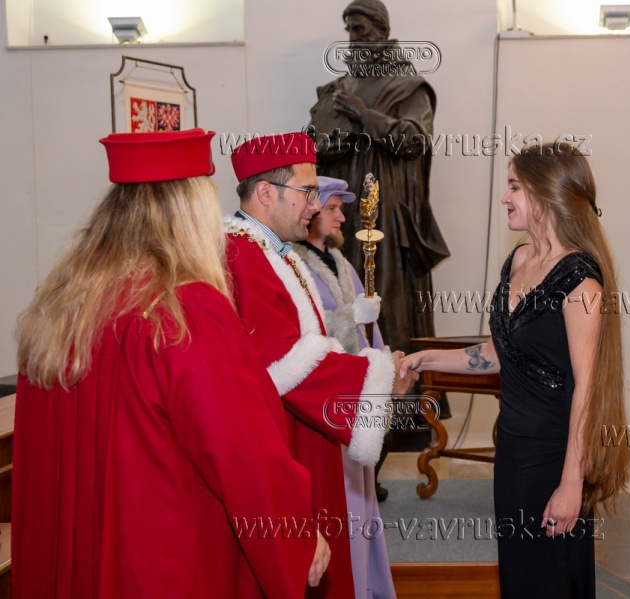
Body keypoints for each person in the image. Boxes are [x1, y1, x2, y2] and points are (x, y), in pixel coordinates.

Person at [13, 128, 329, 598]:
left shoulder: (60, 306)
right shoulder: (185, 309)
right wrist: (294, 533)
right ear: (190, 213)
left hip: (83, 557)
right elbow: (241, 451)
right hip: (165, 558)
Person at [400, 143, 630, 598]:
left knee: (547, 580)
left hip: (553, 457)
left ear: (545, 195)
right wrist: (426, 358)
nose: (504, 197)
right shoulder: (521, 259)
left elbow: (588, 388)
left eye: (514, 187)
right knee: (520, 578)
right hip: (513, 451)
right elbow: (500, 351)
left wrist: (571, 484)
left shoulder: (580, 280)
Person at [226, 132, 416, 599]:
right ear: (266, 193)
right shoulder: (243, 255)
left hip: (307, 431)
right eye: (307, 191)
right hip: (285, 438)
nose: (315, 205)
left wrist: (373, 369)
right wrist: (376, 377)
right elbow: (281, 360)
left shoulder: (272, 250)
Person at [308, 0, 450, 356]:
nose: (352, 37)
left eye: (360, 28)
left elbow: (414, 140)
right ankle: (349, 375)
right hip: (339, 208)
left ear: (382, 31)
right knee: (341, 289)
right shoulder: (336, 88)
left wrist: (364, 116)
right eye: (349, 30)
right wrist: (326, 144)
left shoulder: (408, 86)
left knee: (387, 295)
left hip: (385, 213)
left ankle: (401, 380)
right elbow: (311, 144)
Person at [296, 176, 396, 599]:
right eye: (333, 208)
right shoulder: (296, 266)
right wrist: (349, 318)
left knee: (363, 499)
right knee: (341, 500)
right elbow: (304, 336)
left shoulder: (343, 263)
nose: (342, 217)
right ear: (311, 212)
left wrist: (384, 364)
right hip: (327, 402)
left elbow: (366, 334)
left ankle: (369, 584)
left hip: (359, 397)